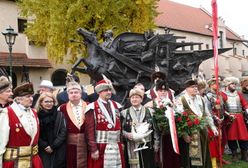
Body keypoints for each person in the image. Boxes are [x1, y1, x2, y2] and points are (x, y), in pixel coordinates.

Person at [175, 79, 218, 168]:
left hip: (202, 131)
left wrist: (213, 128)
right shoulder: (181, 100)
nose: (195, 89)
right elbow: (179, 119)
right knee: (191, 158)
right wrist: (184, 134)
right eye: (192, 87)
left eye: (196, 87)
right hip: (190, 133)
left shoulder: (201, 99)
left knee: (204, 153)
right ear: (186, 88)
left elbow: (207, 114)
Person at [0, 82, 43, 168]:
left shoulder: (34, 112)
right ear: (18, 99)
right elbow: (1, 143)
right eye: (28, 97)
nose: (31, 99)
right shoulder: (7, 113)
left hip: (34, 161)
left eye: (32, 96)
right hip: (14, 162)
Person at [85, 77, 125, 168]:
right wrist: (93, 149)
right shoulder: (92, 107)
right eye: (106, 90)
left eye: (110, 90)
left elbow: (120, 127)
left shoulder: (116, 106)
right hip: (101, 146)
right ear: (99, 92)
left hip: (116, 145)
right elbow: (89, 131)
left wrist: (121, 142)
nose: (109, 92)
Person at [145, 79, 179, 168]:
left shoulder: (171, 103)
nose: (163, 92)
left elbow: (178, 116)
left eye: (165, 90)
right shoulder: (151, 103)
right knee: (160, 159)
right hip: (158, 135)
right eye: (160, 90)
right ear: (157, 91)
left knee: (172, 157)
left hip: (171, 135)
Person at [121, 88, 157, 168]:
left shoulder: (150, 112)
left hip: (147, 145)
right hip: (131, 145)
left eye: (137, 97)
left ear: (141, 99)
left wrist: (156, 144)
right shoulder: (124, 113)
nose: (134, 99)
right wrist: (127, 134)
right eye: (132, 97)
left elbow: (155, 130)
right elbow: (120, 130)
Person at [58, 81, 88, 168]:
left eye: (76, 92)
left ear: (81, 93)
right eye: (71, 93)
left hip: (87, 144)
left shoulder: (89, 106)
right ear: (68, 94)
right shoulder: (61, 108)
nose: (74, 94)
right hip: (70, 145)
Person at [204, 77, 230, 166]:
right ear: (211, 85)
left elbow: (223, 107)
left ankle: (220, 157)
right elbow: (208, 110)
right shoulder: (208, 96)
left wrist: (227, 115)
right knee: (215, 141)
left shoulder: (219, 95)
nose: (217, 85)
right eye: (216, 84)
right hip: (214, 121)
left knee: (222, 140)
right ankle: (215, 158)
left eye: (218, 84)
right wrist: (215, 118)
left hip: (221, 120)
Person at [221, 77, 248, 162]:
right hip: (230, 119)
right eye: (232, 84)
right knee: (231, 137)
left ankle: (244, 155)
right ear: (227, 85)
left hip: (239, 117)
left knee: (243, 136)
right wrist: (228, 115)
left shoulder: (239, 94)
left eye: (235, 84)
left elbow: (244, 103)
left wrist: (247, 110)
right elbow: (222, 108)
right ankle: (234, 155)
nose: (234, 86)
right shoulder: (222, 94)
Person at [36, 92, 67, 168]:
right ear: (41, 103)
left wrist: (53, 146)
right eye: (46, 101)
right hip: (43, 149)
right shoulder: (36, 115)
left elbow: (63, 132)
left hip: (58, 148)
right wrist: (45, 146)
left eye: (51, 101)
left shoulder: (60, 114)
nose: (49, 103)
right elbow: (35, 133)